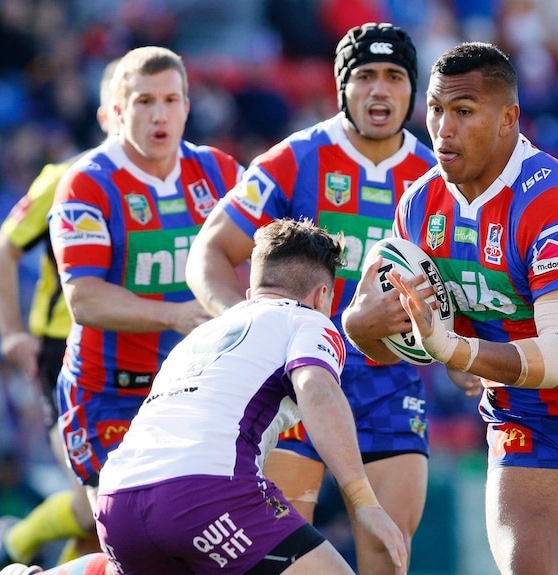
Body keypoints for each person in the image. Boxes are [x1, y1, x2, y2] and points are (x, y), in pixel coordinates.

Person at [345, 42, 558, 575]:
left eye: (463, 112)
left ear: (509, 118)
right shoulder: (417, 206)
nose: (443, 129)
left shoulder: (552, 204)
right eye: (437, 109)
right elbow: (387, 338)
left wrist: (459, 351)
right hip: (527, 416)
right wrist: (360, 326)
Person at [0, 217, 407, 575]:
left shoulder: (202, 334)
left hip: (117, 501)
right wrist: (363, 500)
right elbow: (316, 389)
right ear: (322, 296)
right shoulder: (306, 320)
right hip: (207, 496)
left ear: (251, 292)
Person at [186, 23, 435, 575]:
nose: (379, 90)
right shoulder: (296, 158)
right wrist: (254, 333)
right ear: (343, 87)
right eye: (365, 76)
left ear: (411, 91)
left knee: (389, 560)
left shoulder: (436, 176)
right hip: (294, 387)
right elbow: (206, 255)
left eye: (394, 77)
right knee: (278, 564)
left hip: (390, 384)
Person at [46, 46, 242, 513]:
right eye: (143, 101)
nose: (160, 114)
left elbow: (263, 257)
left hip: (192, 392)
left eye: (171, 100)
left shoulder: (219, 171)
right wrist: (174, 316)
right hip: (108, 394)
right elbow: (84, 300)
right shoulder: (86, 182)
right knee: (128, 536)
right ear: (116, 111)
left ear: (187, 108)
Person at [0, 59, 119, 574]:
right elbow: (2, 251)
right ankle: (14, 547)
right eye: (137, 102)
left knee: (114, 512)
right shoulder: (66, 178)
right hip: (63, 355)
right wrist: (11, 332)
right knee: (98, 503)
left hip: (141, 356)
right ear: (110, 113)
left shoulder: (182, 183)